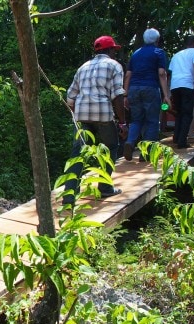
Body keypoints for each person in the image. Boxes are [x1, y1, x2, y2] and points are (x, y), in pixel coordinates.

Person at [63, 35, 127, 204]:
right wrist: (122, 122)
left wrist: (79, 113)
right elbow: (118, 96)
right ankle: (105, 188)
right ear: (111, 50)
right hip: (103, 115)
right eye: (114, 50)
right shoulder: (114, 66)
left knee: (78, 154)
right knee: (111, 147)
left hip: (83, 116)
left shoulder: (83, 67)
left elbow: (70, 97)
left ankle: (69, 196)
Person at [122, 28, 172, 161]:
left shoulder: (136, 54)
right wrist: (166, 95)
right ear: (157, 40)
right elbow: (161, 73)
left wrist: (125, 95)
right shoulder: (159, 52)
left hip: (133, 89)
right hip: (150, 88)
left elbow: (128, 75)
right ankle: (147, 153)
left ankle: (130, 142)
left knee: (136, 120)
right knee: (152, 121)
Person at [168, 35, 194, 149]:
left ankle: (176, 137)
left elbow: (171, 72)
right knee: (187, 113)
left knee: (179, 112)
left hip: (175, 85)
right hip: (187, 84)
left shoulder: (176, 55)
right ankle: (182, 141)